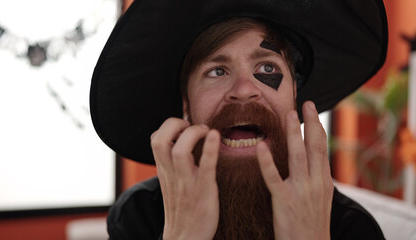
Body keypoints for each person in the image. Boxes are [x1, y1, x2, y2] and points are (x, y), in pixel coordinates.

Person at [90, 0, 388, 239]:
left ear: (294, 96)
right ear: (186, 104)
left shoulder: (350, 228)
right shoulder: (139, 216)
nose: (244, 91)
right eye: (217, 71)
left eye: (267, 68)